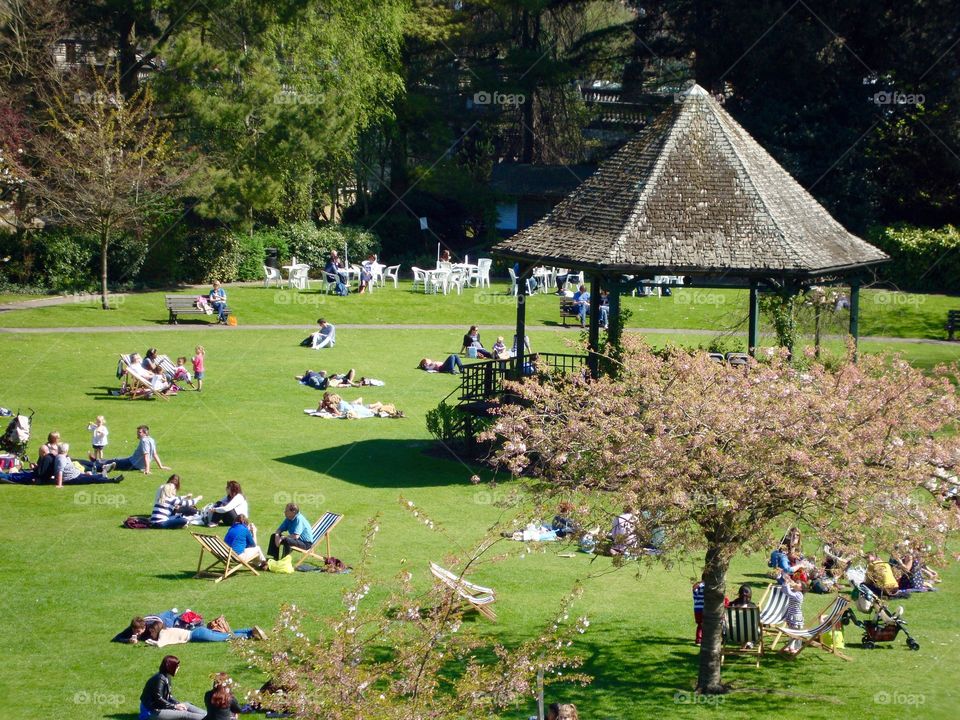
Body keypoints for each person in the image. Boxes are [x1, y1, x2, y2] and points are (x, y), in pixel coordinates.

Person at [139, 655, 205, 720]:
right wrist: (175, 706)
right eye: (177, 666)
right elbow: (158, 699)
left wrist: (178, 704)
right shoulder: (159, 679)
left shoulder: (166, 676)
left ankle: (208, 715)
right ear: (171, 667)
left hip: (160, 707)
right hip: (151, 711)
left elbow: (169, 697)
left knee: (186, 705)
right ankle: (208, 718)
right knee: (184, 714)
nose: (178, 668)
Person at [92, 425, 168, 475]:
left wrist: (147, 470)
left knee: (114, 462)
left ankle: (95, 464)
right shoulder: (151, 439)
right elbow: (155, 454)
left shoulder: (144, 441)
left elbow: (146, 455)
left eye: (139, 432)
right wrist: (160, 466)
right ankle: (97, 461)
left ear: (145, 433)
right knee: (117, 460)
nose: (137, 433)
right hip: (133, 461)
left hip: (133, 464)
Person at [144, 620, 266, 647]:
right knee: (227, 634)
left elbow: (159, 644)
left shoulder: (162, 634)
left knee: (226, 637)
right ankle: (249, 630)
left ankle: (250, 635)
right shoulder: (167, 629)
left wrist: (149, 641)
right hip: (197, 631)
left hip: (196, 635)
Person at [54, 442, 122, 487]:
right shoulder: (61, 458)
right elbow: (60, 471)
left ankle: (103, 473)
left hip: (76, 475)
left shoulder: (65, 457)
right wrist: (59, 484)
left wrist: (82, 473)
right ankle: (111, 480)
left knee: (90, 475)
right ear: (66, 450)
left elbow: (71, 468)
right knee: (91, 479)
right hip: (71, 478)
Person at [781, 579, 805, 654]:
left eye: (798, 583)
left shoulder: (799, 595)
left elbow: (788, 592)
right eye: (796, 582)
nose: (796, 583)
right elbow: (784, 590)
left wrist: (788, 584)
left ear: (801, 588)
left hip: (796, 617)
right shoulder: (794, 591)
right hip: (791, 615)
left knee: (797, 633)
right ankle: (790, 646)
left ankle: (797, 647)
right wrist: (785, 582)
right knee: (791, 632)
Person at [692, 575, 705, 645]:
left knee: (700, 624)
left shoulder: (699, 586)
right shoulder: (705, 586)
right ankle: (699, 639)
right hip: (703, 608)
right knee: (702, 624)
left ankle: (699, 639)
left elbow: (694, 589)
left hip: (697, 608)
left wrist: (699, 583)